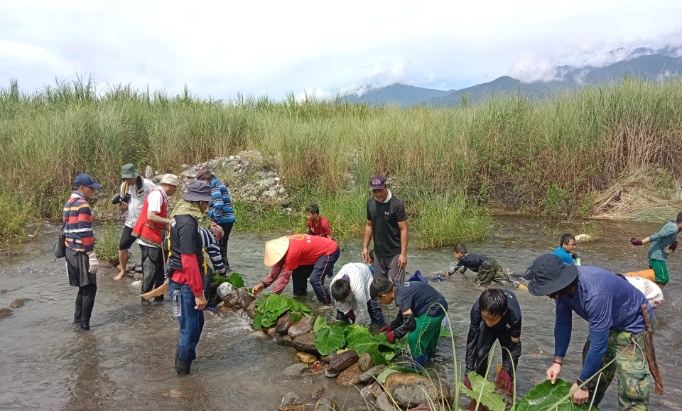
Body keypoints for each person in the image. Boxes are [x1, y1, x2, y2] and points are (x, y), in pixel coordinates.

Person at [527, 254, 655, 409]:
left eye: (547, 290)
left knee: (632, 389)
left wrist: (581, 383)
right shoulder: (562, 290)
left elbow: (598, 345)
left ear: (560, 283)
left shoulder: (594, 293)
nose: (547, 295)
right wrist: (557, 361)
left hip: (633, 324)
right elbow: (563, 322)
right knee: (594, 380)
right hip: (607, 321)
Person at [167, 180, 212, 375]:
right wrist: (198, 292)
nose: (207, 207)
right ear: (199, 202)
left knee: (193, 324)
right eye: (206, 203)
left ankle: (182, 361)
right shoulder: (187, 223)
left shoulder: (178, 216)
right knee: (190, 329)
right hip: (185, 284)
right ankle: (183, 374)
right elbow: (188, 260)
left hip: (178, 281)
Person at [371, 276, 448, 368]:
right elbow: (403, 314)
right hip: (438, 304)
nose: (381, 302)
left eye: (379, 300)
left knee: (413, 337)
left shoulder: (401, 296)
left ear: (384, 296)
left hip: (434, 310)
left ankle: (418, 364)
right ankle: (431, 361)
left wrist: (394, 334)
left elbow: (410, 323)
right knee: (428, 338)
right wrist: (392, 326)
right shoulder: (399, 289)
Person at [251, 234, 340, 305]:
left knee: (315, 279)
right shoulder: (284, 245)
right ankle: (301, 296)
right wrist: (263, 284)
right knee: (297, 270)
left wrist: (273, 296)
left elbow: (284, 278)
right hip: (312, 253)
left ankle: (327, 303)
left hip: (330, 250)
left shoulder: (291, 252)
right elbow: (277, 268)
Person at [63, 174, 102, 331]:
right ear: (81, 188)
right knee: (90, 289)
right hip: (81, 252)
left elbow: (67, 229)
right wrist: (91, 255)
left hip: (69, 251)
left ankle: (76, 321)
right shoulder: (83, 204)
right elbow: (85, 232)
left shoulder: (69, 202)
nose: (93, 190)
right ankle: (85, 326)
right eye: (90, 188)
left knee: (82, 288)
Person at [132, 173, 179, 303]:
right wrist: (169, 221)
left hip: (155, 236)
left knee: (159, 270)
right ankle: (144, 297)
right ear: (169, 185)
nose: (175, 190)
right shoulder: (157, 195)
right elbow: (151, 216)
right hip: (149, 237)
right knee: (150, 270)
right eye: (175, 187)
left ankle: (159, 298)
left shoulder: (160, 195)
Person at [464, 289, 522, 393]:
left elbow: (515, 347)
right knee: (481, 354)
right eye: (485, 317)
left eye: (493, 320)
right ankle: (480, 385)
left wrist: (506, 370)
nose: (489, 323)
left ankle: (507, 393)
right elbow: (472, 341)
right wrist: (468, 371)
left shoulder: (514, 316)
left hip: (506, 327)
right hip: (486, 328)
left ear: (503, 313)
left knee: (508, 361)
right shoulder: (476, 310)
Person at [113, 163, 157, 281]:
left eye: (130, 177)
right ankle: (123, 270)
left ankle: (147, 274)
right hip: (130, 223)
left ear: (135, 175)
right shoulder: (124, 186)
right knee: (122, 245)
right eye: (126, 178)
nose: (128, 180)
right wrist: (122, 206)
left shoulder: (147, 184)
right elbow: (124, 207)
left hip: (144, 223)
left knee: (145, 249)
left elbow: (160, 196)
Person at [362, 174, 408, 284]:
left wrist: (403, 254)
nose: (378, 194)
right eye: (375, 191)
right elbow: (369, 225)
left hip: (395, 253)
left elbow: (404, 229)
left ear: (386, 187)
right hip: (378, 253)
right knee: (380, 286)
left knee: (399, 287)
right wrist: (365, 247)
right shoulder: (370, 203)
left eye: (380, 191)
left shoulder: (396, 205)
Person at [197, 169, 236, 271]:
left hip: (222, 220)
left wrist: (214, 220)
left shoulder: (213, 186)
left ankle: (221, 271)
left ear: (206, 179)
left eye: (201, 181)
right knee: (221, 247)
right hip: (227, 219)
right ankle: (224, 270)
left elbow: (219, 204)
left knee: (212, 245)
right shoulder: (217, 183)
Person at [630, 211, 682, 286]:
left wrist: (675, 242)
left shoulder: (675, 226)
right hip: (657, 255)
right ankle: (631, 277)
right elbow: (657, 235)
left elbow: (670, 234)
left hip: (656, 254)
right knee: (664, 278)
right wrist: (641, 242)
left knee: (654, 277)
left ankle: (648, 292)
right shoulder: (674, 228)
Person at [330, 262, 385, 327]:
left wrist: (355, 327)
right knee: (341, 316)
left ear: (350, 291)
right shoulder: (333, 287)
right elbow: (342, 306)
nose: (342, 302)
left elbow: (362, 312)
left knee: (371, 305)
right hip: (348, 269)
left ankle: (383, 326)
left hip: (365, 275)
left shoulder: (358, 288)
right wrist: (351, 315)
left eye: (343, 300)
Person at [447, 243, 515, 287]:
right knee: (506, 283)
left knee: (478, 285)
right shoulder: (469, 257)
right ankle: (522, 287)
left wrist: (447, 275)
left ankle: (490, 294)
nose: (454, 256)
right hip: (493, 262)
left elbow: (455, 269)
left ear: (459, 253)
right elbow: (465, 267)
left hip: (486, 265)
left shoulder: (463, 259)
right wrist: (461, 273)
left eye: (454, 254)